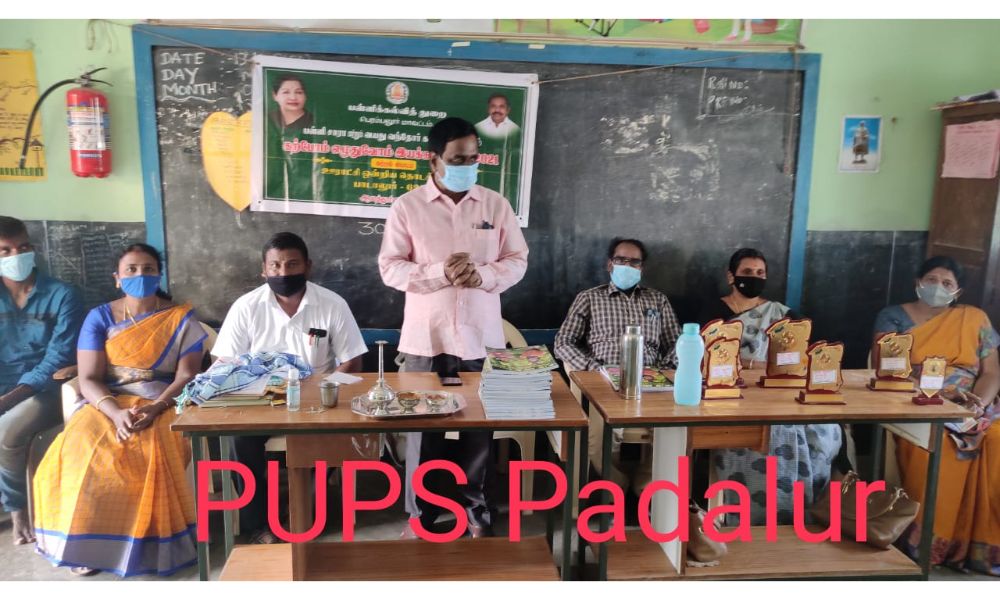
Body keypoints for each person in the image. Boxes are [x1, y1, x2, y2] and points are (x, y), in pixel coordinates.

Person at [378, 117, 529, 538]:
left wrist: (484, 275)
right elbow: (390, 268)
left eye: (474, 158)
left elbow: (517, 260)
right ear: (434, 160)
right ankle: (420, 516)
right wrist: (439, 273)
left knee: (477, 431)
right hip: (424, 339)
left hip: (480, 337)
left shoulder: (495, 205)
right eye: (458, 159)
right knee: (420, 432)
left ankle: (477, 515)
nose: (468, 166)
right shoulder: (407, 207)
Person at [33, 243, 206, 577]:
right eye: (132, 270)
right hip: (108, 402)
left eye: (148, 269)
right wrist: (115, 413)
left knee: (153, 448)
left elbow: (187, 375)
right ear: (117, 278)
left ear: (159, 275)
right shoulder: (99, 317)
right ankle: (86, 547)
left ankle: (150, 547)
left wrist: (155, 408)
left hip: (164, 402)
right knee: (82, 451)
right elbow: (88, 378)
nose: (140, 275)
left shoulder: (180, 318)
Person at [212, 232, 367, 544]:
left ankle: (302, 510)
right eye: (276, 266)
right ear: (264, 270)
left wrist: (323, 391)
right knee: (238, 441)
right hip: (260, 400)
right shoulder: (246, 307)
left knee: (333, 436)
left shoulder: (332, 304)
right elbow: (224, 360)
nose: (283, 273)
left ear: (308, 266)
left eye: (292, 264)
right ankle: (259, 524)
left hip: (318, 399)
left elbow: (353, 361)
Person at [874, 256, 999, 576]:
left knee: (997, 439)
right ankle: (930, 544)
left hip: (974, 405)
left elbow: (991, 373)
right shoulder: (894, 317)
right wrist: (940, 397)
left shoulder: (975, 318)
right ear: (918, 282)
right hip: (917, 401)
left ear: (958, 292)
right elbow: (887, 370)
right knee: (938, 445)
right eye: (931, 280)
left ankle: (983, 549)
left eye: (946, 283)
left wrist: (977, 407)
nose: (937, 287)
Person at [700, 248, 843, 525]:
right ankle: (752, 514)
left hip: (778, 390)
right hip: (732, 392)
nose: (754, 277)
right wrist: (755, 364)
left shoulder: (782, 314)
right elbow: (706, 354)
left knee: (824, 430)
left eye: (760, 273)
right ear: (731, 276)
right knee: (754, 435)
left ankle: (802, 510)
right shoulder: (713, 311)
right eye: (747, 272)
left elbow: (803, 352)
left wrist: (771, 367)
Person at [554, 237, 681, 493]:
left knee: (674, 428)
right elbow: (563, 342)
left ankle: (646, 482)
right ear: (610, 264)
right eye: (621, 260)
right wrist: (592, 369)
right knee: (594, 435)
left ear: (642, 268)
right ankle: (616, 483)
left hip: (650, 383)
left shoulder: (657, 300)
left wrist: (664, 370)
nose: (628, 266)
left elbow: (677, 343)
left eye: (634, 262)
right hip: (602, 383)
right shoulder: (589, 298)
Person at [0, 216, 83, 546]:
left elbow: (58, 358)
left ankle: (17, 509)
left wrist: (8, 400)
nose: (16, 256)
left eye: (22, 247)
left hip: (45, 390)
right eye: (5, 251)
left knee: (7, 429)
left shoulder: (63, 295)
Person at [265, 74, 319, 201]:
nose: (293, 97)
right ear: (274, 95)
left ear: (305, 96)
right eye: (286, 92)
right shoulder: (266, 121)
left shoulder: (316, 124)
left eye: (299, 92)